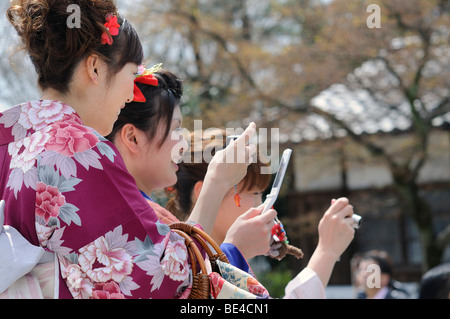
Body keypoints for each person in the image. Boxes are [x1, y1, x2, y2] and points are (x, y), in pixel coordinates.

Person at [0, 0, 255, 299]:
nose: (131, 92)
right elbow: (166, 275)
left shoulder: (9, 144)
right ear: (95, 68)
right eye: (131, 75)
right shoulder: (78, 150)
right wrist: (218, 182)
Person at [106, 67, 278, 275]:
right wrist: (234, 250)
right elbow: (180, 285)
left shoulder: (130, 209)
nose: (183, 143)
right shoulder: (123, 217)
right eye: (176, 129)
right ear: (133, 138)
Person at [167, 131, 357, 298]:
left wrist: (327, 251)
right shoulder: (174, 270)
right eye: (255, 192)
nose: (264, 204)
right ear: (204, 191)